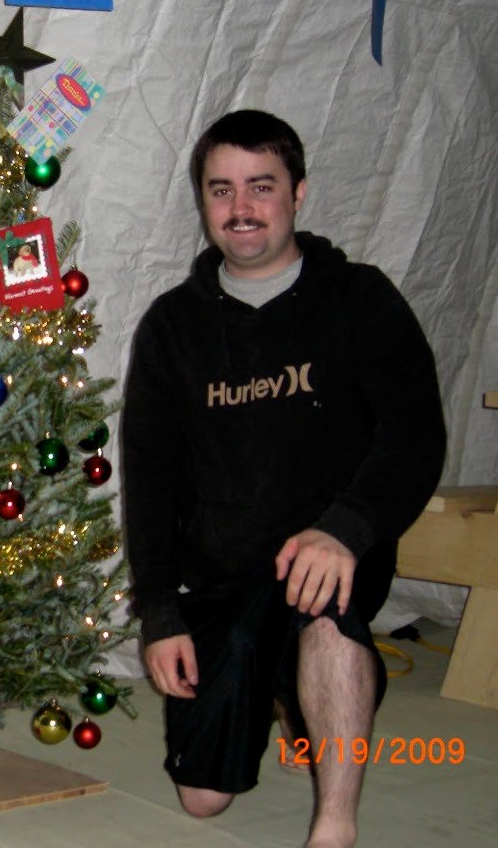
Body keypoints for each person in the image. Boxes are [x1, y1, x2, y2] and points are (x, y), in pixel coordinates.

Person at [121, 110, 445, 848]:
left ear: (298, 193)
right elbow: (151, 481)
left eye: (261, 187)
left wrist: (347, 529)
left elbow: (415, 436)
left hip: (324, 550)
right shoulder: (173, 326)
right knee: (204, 800)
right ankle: (279, 682)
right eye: (221, 190)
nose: (241, 209)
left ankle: (335, 822)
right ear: (203, 202)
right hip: (221, 572)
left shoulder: (361, 299)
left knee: (327, 626)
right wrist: (161, 616)